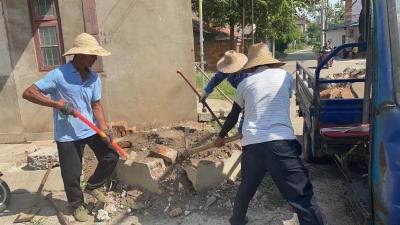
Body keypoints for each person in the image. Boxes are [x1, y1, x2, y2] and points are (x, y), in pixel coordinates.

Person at [214, 43, 325, 225]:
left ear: (252, 64)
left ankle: (237, 220)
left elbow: (233, 116)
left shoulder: (244, 84)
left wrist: (221, 136)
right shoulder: (284, 77)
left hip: (252, 146)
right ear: (271, 61)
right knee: (304, 198)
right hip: (281, 145)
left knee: (246, 188)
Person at [22, 33, 119, 222]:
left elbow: (96, 106)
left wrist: (105, 129)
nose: (95, 59)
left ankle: (92, 186)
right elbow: (29, 92)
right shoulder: (59, 75)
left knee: (111, 155)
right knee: (71, 174)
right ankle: (76, 205)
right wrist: (58, 104)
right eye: (93, 55)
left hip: (90, 130)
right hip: (67, 135)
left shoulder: (93, 77)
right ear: (81, 55)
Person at [199, 50, 249, 132]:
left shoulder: (246, 74)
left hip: (250, 97)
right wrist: (206, 91)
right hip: (242, 96)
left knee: (244, 127)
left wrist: (245, 106)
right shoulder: (227, 70)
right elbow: (217, 77)